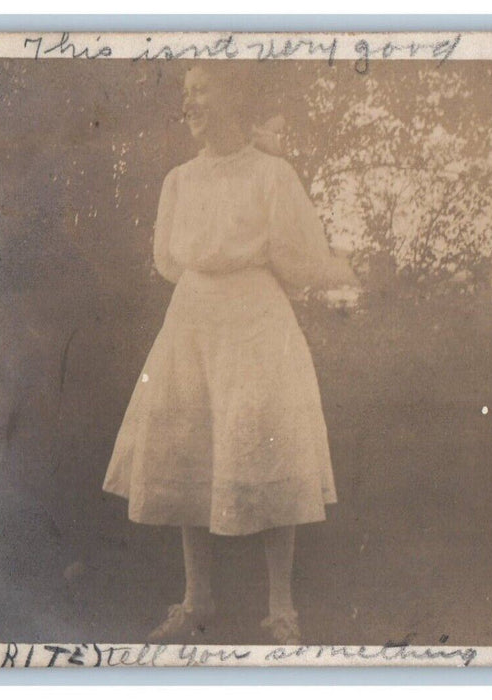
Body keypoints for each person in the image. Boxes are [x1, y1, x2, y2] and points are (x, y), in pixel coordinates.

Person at [102, 63, 359, 645]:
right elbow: (168, 260)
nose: (190, 103)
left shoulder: (273, 174)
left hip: (256, 323)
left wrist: (252, 273)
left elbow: (301, 261)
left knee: (268, 444)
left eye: (202, 92)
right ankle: (197, 600)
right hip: (192, 321)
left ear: (233, 98)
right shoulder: (179, 181)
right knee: (188, 446)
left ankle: (281, 607)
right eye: (186, 93)